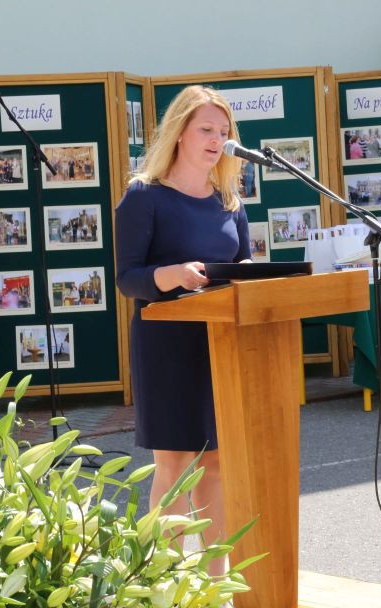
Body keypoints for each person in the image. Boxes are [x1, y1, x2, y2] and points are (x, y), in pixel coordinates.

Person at [115, 85, 250, 577]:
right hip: (167, 347)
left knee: (216, 463)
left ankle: (215, 581)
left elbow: (244, 267)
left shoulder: (229, 202)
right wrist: (171, 275)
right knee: (174, 465)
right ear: (179, 133)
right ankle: (163, 580)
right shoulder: (144, 197)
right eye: (206, 129)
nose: (217, 140)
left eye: (224, 131)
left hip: (220, 343)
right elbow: (127, 278)